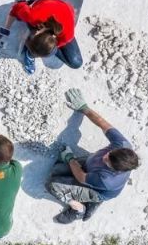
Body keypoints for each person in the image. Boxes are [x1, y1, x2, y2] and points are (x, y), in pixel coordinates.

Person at [47, 88, 140, 224]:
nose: (105, 156)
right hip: (91, 168)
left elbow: (81, 177)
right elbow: (103, 124)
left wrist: (70, 158)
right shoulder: (123, 144)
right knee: (56, 170)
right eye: (109, 153)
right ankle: (90, 200)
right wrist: (84, 108)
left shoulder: (107, 180)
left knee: (52, 185)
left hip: (97, 188)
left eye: (108, 161)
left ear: (114, 170)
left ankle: (79, 209)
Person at [0, 0, 81, 74]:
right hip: (45, 4)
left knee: (76, 63)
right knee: (44, 49)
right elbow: (15, 8)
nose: (34, 32)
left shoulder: (68, 35)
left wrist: (46, 50)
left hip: (63, 9)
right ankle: (31, 53)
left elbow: (54, 46)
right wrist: (5, 30)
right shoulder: (33, 16)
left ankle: (31, 53)